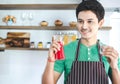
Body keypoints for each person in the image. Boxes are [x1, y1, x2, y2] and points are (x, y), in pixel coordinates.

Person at [42, 0, 120, 84]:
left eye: (90, 21)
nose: (84, 26)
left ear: (100, 23)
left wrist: (114, 68)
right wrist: (50, 61)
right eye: (80, 21)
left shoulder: (109, 53)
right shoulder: (65, 50)